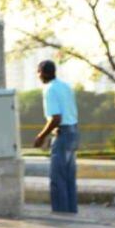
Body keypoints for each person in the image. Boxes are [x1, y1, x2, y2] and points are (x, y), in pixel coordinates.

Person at [32, 60, 79, 214]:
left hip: (63, 133)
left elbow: (56, 118)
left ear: (43, 72)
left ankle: (61, 213)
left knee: (57, 178)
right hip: (73, 132)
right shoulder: (65, 86)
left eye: (38, 72)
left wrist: (41, 136)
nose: (38, 76)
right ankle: (71, 211)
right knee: (69, 177)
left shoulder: (50, 89)